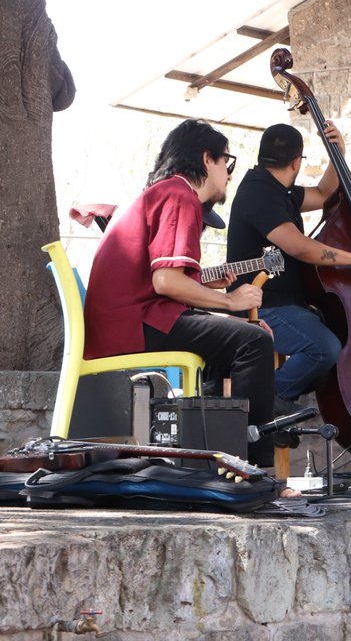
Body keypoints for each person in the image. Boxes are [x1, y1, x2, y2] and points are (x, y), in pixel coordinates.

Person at [83, 119, 276, 467]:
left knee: (240, 341)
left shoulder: (163, 192)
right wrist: (231, 301)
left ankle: (217, 459)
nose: (229, 175)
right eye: (227, 163)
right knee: (254, 342)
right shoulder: (179, 194)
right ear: (207, 159)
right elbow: (166, 283)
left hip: (126, 320)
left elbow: (161, 281)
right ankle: (253, 467)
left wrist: (208, 293)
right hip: (132, 323)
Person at [226, 122, 351, 415]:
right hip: (261, 306)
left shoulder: (278, 190)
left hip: (286, 304)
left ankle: (279, 404)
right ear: (297, 162)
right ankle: (266, 400)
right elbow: (299, 246)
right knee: (324, 348)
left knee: (340, 345)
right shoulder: (260, 194)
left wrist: (338, 153)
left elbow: (324, 193)